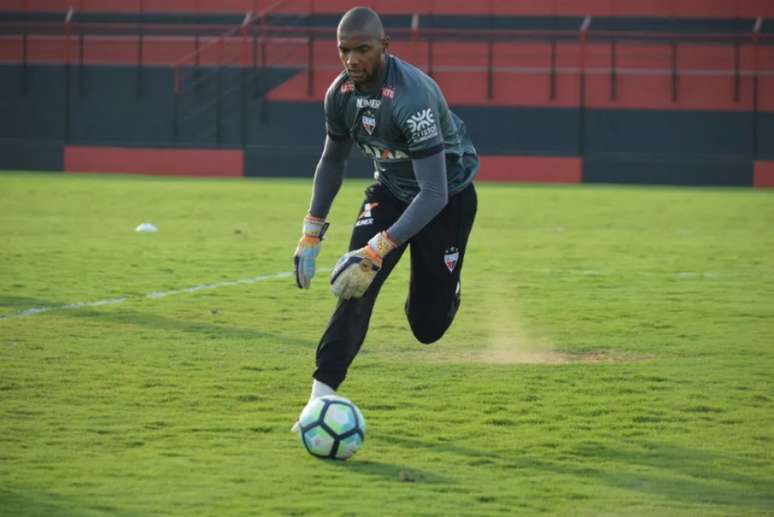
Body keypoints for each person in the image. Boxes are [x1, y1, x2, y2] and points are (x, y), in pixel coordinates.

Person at [292, 6, 479, 422]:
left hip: (446, 199)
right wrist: (311, 232)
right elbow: (332, 161)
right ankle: (319, 397)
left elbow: (433, 192)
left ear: (385, 47)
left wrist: (380, 246)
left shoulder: (413, 99)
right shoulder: (340, 95)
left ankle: (448, 287)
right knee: (355, 285)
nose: (352, 59)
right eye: (344, 50)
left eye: (362, 49)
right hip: (391, 191)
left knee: (427, 327)